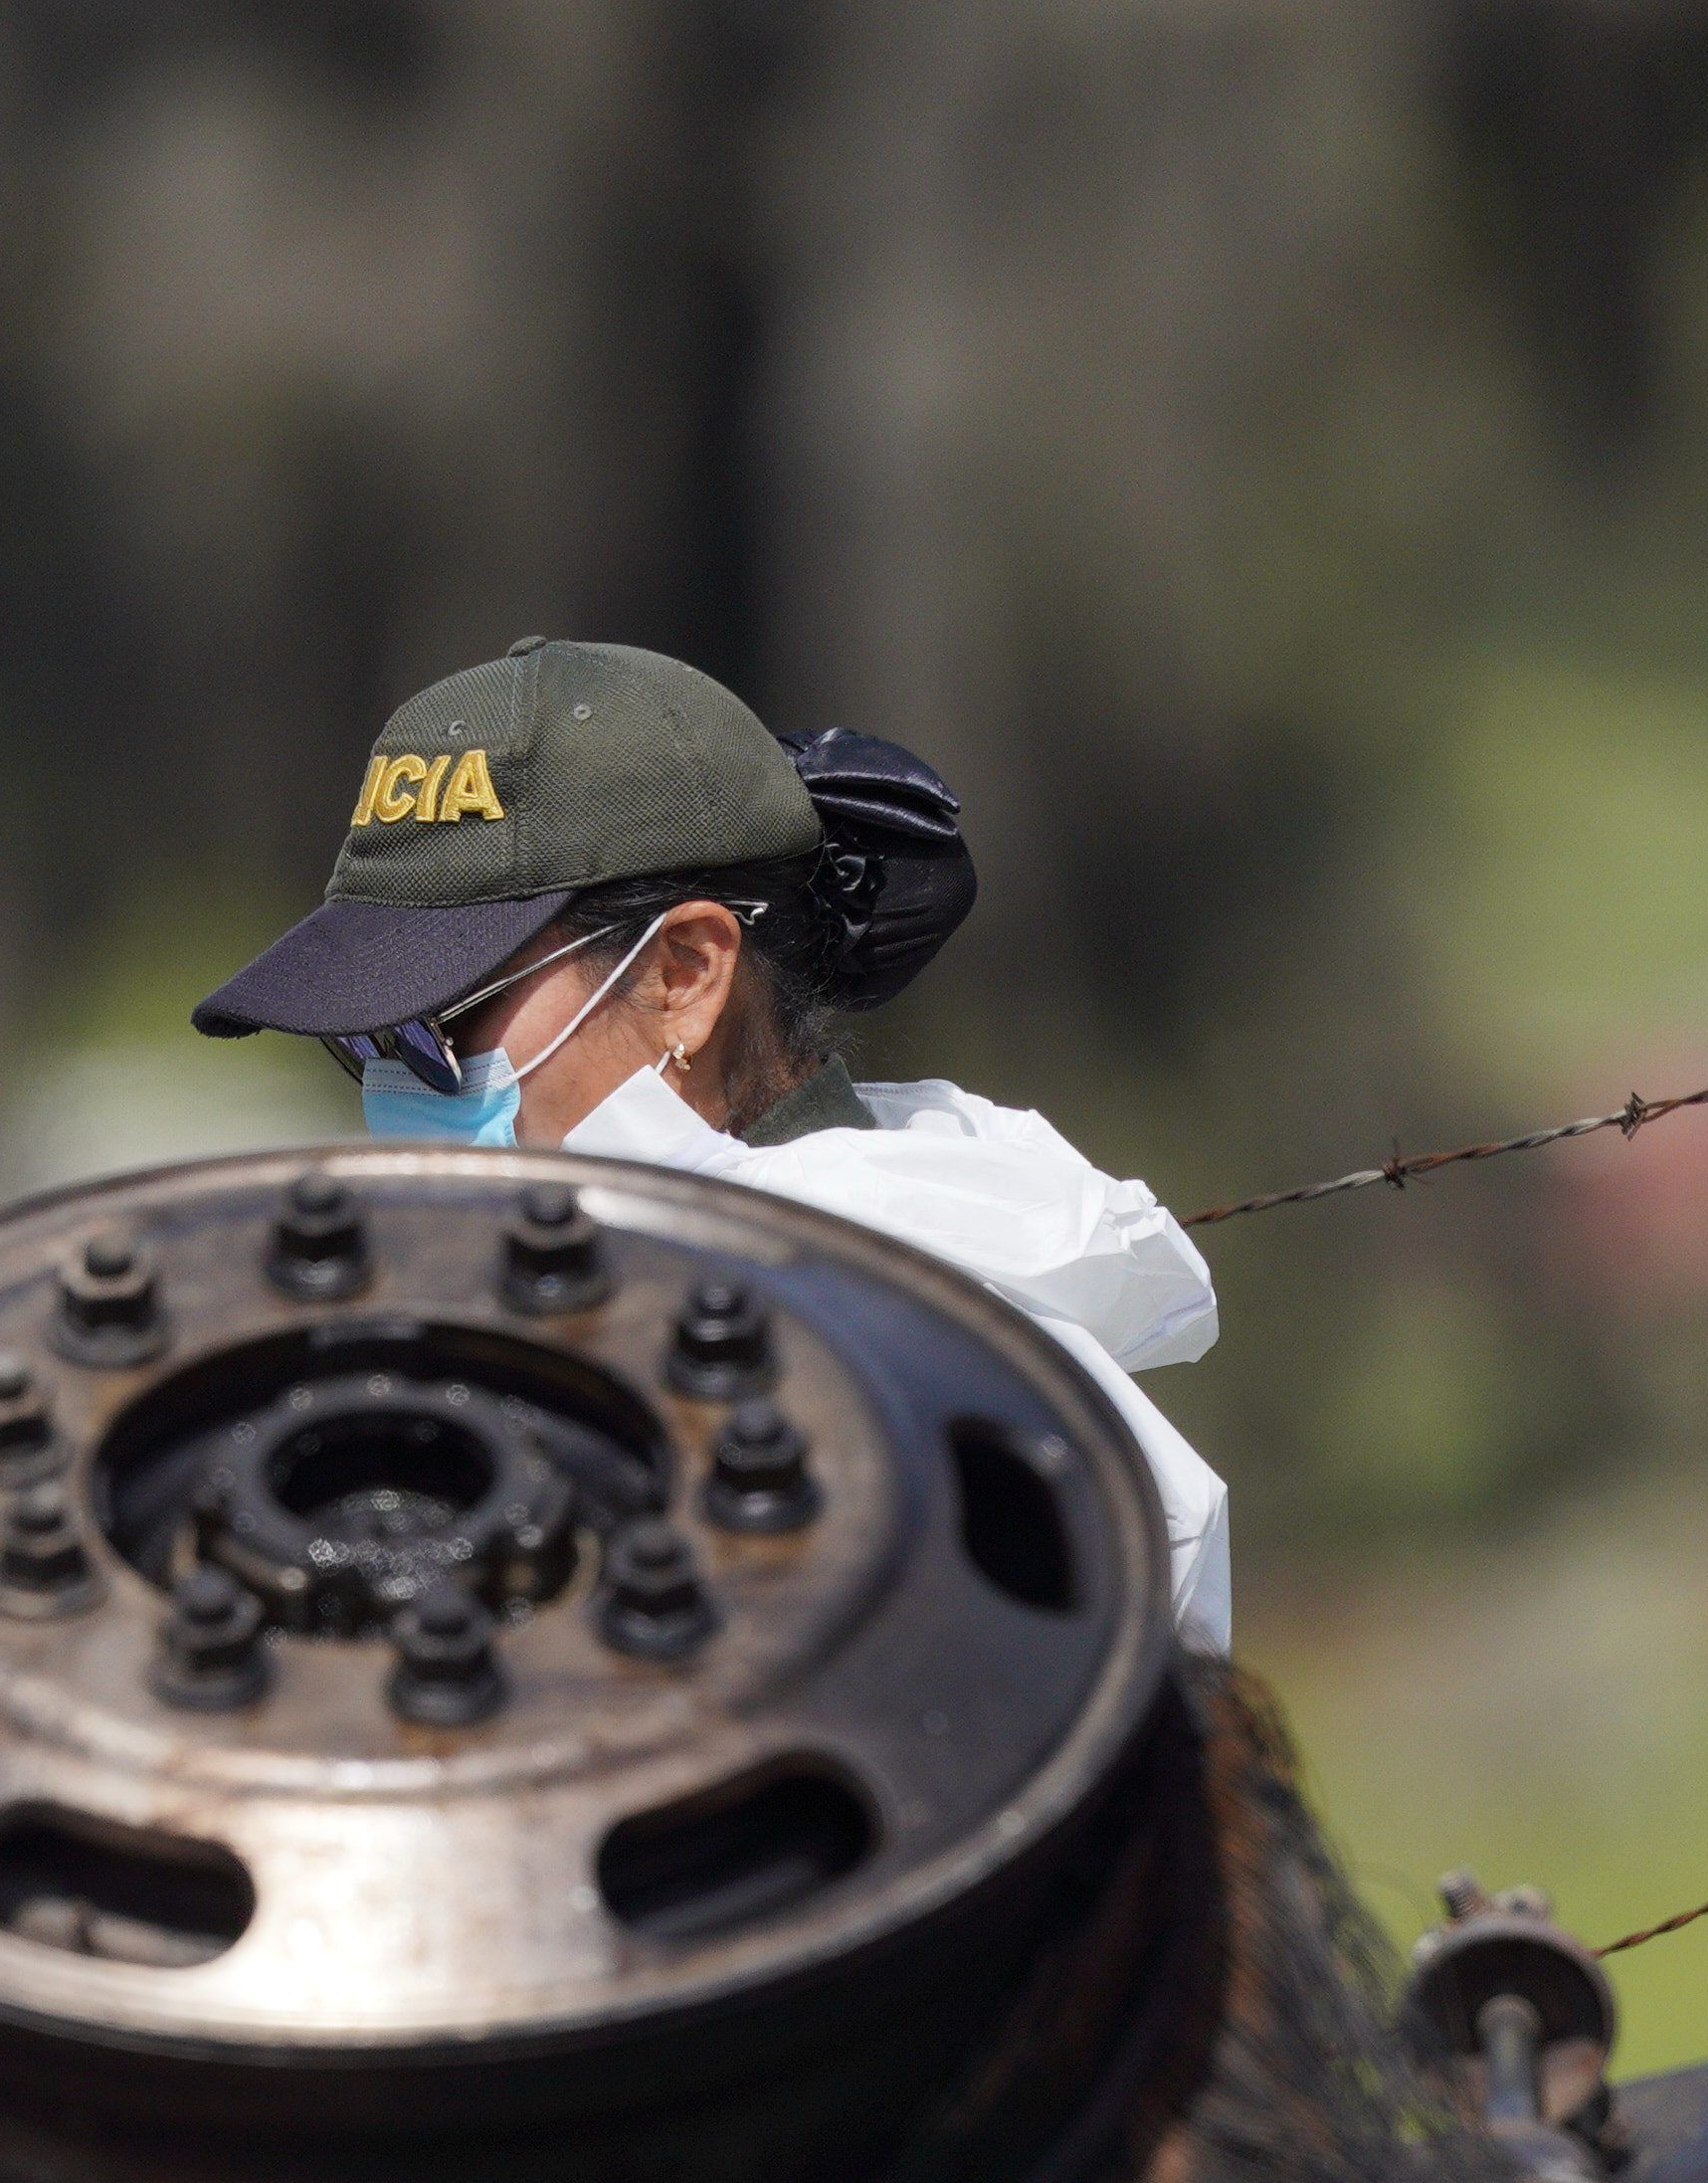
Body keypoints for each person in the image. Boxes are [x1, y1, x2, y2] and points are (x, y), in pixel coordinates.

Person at [187, 639, 1234, 1653]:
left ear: (684, 974)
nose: (397, 1084)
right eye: (363, 1042)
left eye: (442, 1023)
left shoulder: (940, 1353)